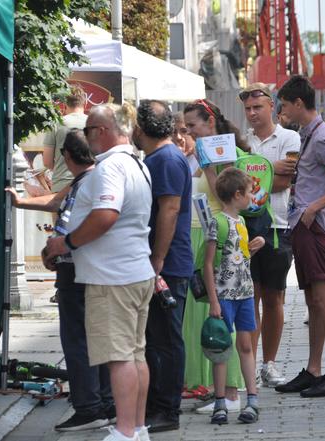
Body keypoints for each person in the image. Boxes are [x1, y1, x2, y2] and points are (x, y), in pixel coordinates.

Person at [44, 103, 154, 441]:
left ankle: (124, 431)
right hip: (133, 270)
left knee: (119, 357)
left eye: (89, 130)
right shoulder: (137, 163)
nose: (84, 137)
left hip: (112, 277)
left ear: (103, 131)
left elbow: (106, 215)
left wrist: (67, 244)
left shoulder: (109, 168)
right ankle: (136, 427)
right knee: (135, 354)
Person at [8, 130, 115, 432]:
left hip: (79, 270)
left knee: (78, 341)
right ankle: (105, 403)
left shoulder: (90, 181)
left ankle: (89, 407)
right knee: (96, 339)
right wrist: (21, 202)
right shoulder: (89, 178)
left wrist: (61, 245)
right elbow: (57, 201)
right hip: (87, 269)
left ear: (65, 157)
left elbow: (74, 217)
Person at [274, 75, 325, 398]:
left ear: (298, 104)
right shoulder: (309, 134)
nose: (281, 111)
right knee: (313, 301)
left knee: (323, 299)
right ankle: (314, 369)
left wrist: (314, 207)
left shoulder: (322, 137)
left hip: (316, 227)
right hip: (306, 225)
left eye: (284, 105)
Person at [181, 100, 246, 414]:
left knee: (220, 317)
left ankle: (230, 392)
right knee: (201, 319)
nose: (188, 132)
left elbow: (226, 194)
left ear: (209, 121)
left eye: (192, 126)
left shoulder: (221, 154)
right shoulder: (200, 151)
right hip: (200, 234)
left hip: (215, 236)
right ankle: (213, 387)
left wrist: (206, 164)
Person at [133, 100, 192, 433]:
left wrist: (157, 261)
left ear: (141, 128)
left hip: (167, 265)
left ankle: (167, 409)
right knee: (156, 339)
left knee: (167, 340)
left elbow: (169, 211)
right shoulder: (161, 158)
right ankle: (157, 404)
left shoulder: (167, 159)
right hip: (162, 262)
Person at [240, 83, 300, 387]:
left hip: (277, 227)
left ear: (271, 106)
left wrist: (258, 174)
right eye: (248, 108)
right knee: (249, 298)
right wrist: (269, 170)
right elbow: (239, 188)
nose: (252, 113)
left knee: (274, 298)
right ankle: (248, 365)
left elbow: (283, 181)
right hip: (245, 229)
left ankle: (270, 363)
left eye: (257, 107)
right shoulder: (243, 141)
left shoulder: (289, 137)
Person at [204, 168, 266, 424]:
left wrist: (255, 246)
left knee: (246, 345)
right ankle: (220, 402)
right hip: (224, 296)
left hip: (244, 294)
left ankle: (251, 399)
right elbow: (209, 264)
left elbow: (238, 258)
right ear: (238, 194)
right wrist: (214, 301)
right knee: (221, 348)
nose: (252, 197)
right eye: (250, 192)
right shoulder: (216, 223)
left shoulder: (241, 223)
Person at [44, 86, 88, 193]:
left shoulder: (56, 124)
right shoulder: (93, 123)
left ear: (64, 105)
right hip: (89, 185)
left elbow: (47, 162)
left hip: (61, 186)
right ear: (85, 104)